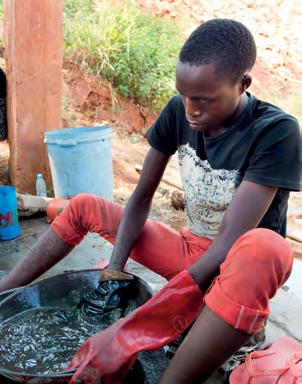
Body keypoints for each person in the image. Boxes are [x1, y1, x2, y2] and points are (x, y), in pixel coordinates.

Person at [0, 19, 300, 383]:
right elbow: (141, 196)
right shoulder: (179, 111)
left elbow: (227, 241)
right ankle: (4, 294)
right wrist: (114, 271)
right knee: (83, 206)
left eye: (204, 100)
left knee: (266, 247)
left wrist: (143, 321)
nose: (191, 110)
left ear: (243, 85)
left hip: (234, 267)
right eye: (185, 95)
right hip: (190, 251)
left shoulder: (275, 131)